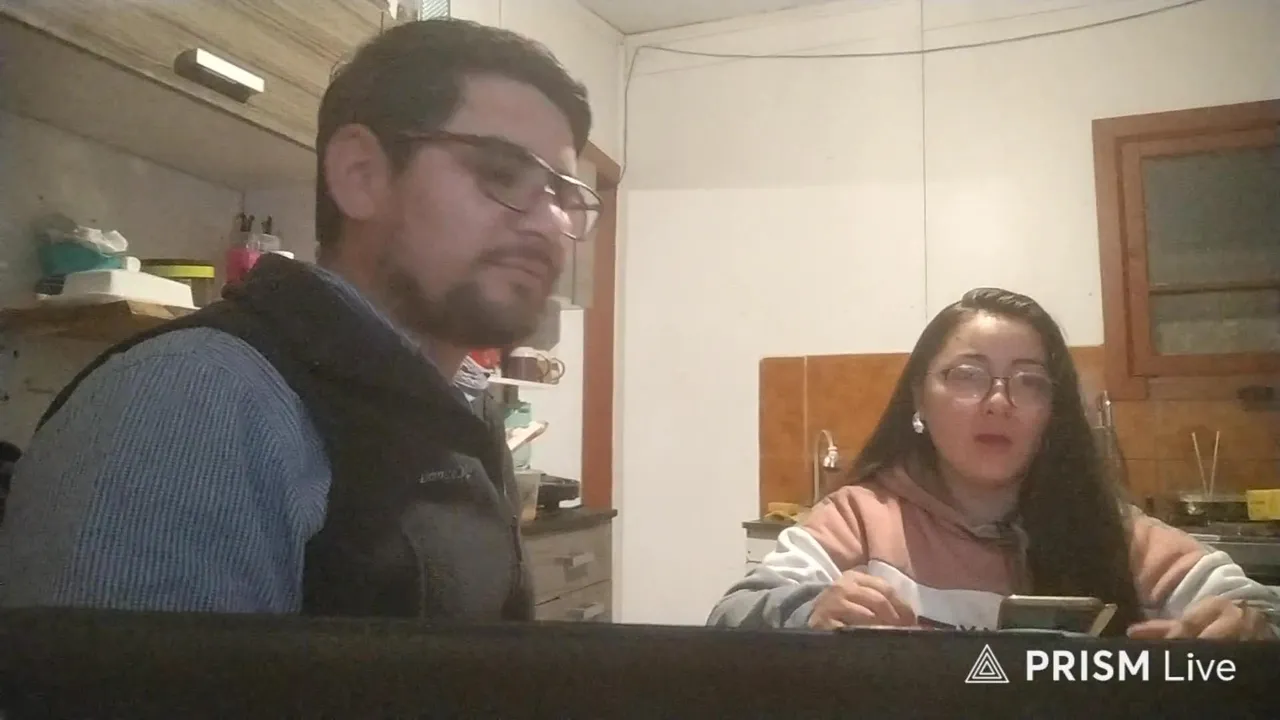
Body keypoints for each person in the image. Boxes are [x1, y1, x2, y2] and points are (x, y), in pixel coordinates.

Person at [0, 18, 599, 620]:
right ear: (361, 175)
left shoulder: (466, 406)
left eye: (566, 197)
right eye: (500, 173)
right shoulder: (192, 401)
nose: (551, 224)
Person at [708, 288, 1278, 639]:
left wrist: (1247, 627)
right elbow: (731, 615)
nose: (999, 401)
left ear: (1051, 413)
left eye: (1029, 381)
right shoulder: (859, 519)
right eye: (968, 375)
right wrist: (809, 611)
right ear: (919, 399)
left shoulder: (1111, 531)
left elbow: (1259, 608)